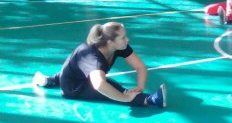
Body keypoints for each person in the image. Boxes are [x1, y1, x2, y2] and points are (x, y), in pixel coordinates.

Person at [32, 22, 166, 107]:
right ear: (110, 42)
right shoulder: (92, 57)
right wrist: (124, 97)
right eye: (123, 37)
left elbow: (140, 67)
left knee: (99, 79)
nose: (127, 39)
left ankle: (50, 80)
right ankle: (151, 100)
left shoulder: (119, 47)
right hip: (73, 87)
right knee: (112, 88)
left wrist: (140, 87)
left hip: (75, 73)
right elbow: (99, 85)